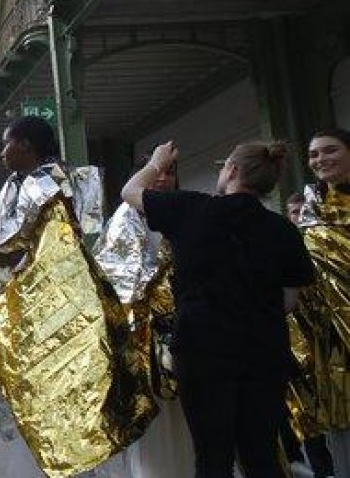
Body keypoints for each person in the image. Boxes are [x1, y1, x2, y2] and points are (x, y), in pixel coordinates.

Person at [121, 140, 316, 478]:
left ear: (233, 171)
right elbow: (290, 299)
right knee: (261, 454)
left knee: (213, 456)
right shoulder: (283, 230)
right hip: (264, 349)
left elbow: (130, 192)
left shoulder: (192, 209)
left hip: (202, 348)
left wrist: (156, 162)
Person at [0, 116, 152, 477]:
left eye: (6, 144)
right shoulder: (28, 183)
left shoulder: (44, 183)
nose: (2, 152)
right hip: (58, 296)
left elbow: (7, 241)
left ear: (25, 145)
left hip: (60, 296)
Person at [92, 157, 195, 477]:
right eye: (155, 172)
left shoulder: (186, 212)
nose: (163, 179)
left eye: (170, 173)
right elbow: (120, 290)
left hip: (192, 339)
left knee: (191, 433)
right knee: (158, 433)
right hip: (148, 349)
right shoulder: (127, 221)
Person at [297, 130, 350, 476]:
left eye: (329, 150)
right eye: (314, 155)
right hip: (332, 343)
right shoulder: (311, 210)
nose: (320, 160)